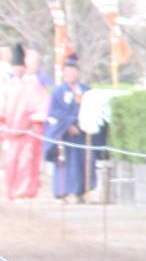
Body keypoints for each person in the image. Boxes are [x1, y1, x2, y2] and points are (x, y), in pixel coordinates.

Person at [2, 45, 49, 201]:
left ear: (24, 67)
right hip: (9, 132)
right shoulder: (6, 87)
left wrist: (32, 121)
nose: (18, 69)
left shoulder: (33, 86)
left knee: (26, 163)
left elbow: (41, 106)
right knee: (10, 162)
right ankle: (10, 191)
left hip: (28, 133)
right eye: (15, 66)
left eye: (20, 66)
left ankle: (23, 192)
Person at [44, 54, 92, 203]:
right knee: (63, 162)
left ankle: (79, 192)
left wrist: (80, 124)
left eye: (73, 70)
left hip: (81, 133)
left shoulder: (85, 90)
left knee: (81, 163)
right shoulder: (58, 91)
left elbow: (91, 109)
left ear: (77, 72)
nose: (71, 73)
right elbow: (54, 111)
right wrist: (68, 124)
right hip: (63, 133)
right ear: (64, 72)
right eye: (68, 70)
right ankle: (61, 192)